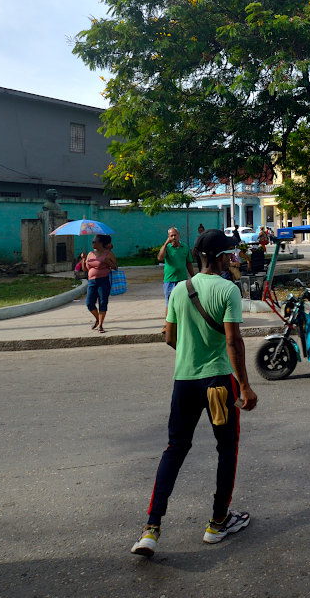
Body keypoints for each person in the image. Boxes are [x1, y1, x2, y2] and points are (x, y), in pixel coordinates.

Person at [130, 229, 258, 557]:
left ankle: (151, 529)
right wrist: (243, 385)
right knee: (226, 449)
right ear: (217, 258)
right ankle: (217, 523)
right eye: (229, 254)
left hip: (184, 381)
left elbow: (170, 338)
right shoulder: (227, 290)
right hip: (217, 382)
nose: (233, 258)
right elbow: (233, 341)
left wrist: (190, 350)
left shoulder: (179, 291)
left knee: (175, 449)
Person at [85, 234, 117, 333]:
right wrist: (83, 259)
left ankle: (101, 325)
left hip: (103, 280)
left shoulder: (108, 254)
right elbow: (85, 268)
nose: (92, 243)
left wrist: (108, 262)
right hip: (91, 281)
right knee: (89, 303)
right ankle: (98, 319)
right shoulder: (90, 254)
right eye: (92, 242)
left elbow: (115, 267)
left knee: (102, 302)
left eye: (94, 242)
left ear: (101, 243)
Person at [157, 227, 196, 306]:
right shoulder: (166, 248)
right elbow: (160, 258)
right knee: (170, 304)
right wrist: (165, 244)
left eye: (175, 235)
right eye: (171, 236)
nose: (173, 237)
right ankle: (168, 318)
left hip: (182, 280)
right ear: (168, 237)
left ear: (179, 235)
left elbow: (188, 263)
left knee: (184, 303)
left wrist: (193, 276)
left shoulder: (185, 247)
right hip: (170, 281)